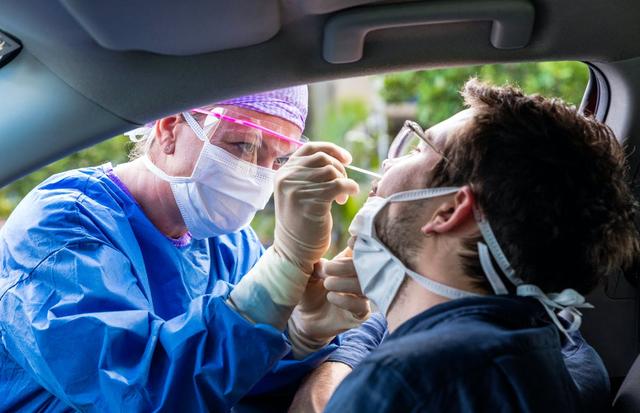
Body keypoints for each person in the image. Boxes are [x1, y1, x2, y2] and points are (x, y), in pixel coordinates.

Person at [0, 86, 372, 412]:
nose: (260, 174)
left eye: (277, 160)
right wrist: (278, 274)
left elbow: (229, 388)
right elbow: (138, 396)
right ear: (168, 128)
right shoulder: (61, 228)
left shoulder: (231, 244)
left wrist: (301, 337)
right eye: (243, 145)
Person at [319, 79, 639, 412]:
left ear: (450, 211)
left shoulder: (406, 381)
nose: (387, 164)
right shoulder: (548, 353)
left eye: (417, 149)